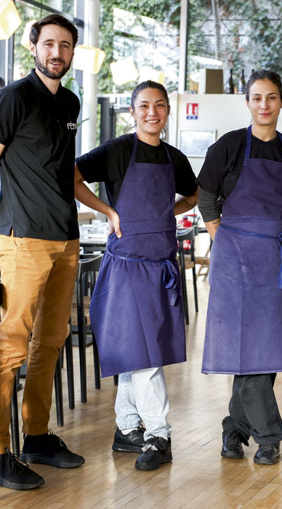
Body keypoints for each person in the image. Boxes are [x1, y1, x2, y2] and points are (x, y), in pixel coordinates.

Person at [0, 14, 87, 490]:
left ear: (73, 53)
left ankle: (36, 435)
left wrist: (104, 210)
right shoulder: (11, 99)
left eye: (66, 46)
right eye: (50, 44)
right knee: (11, 345)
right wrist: (0, 233)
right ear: (34, 47)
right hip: (23, 239)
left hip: (66, 239)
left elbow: (66, 175)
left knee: (51, 341)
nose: (57, 52)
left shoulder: (72, 102)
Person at [74, 81, 199, 471]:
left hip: (160, 263)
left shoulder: (174, 158)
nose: (152, 112)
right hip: (126, 265)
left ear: (167, 112)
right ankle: (158, 434)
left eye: (159, 105)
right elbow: (71, 176)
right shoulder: (116, 150)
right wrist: (107, 212)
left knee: (139, 350)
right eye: (144, 105)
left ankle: (127, 428)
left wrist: (167, 213)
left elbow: (193, 195)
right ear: (132, 111)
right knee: (141, 351)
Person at [198, 70, 282, 466]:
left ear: (281, 102)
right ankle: (268, 436)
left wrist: (264, 235)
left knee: (264, 349)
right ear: (247, 102)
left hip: (273, 258)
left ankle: (234, 429)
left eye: (272, 98)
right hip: (234, 258)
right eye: (257, 98)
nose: (265, 105)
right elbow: (207, 198)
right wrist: (223, 238)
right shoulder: (228, 146)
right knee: (244, 347)